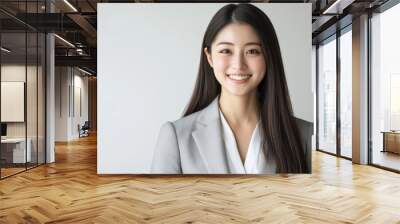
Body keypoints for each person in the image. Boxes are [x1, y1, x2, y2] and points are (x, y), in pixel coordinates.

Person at [151, 3, 312, 174]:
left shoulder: (305, 135)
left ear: (268, 57)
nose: (238, 65)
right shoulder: (176, 137)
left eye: (252, 51)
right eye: (226, 50)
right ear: (209, 57)